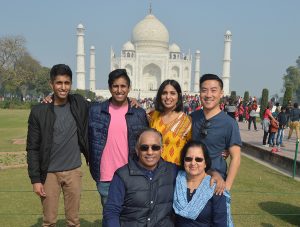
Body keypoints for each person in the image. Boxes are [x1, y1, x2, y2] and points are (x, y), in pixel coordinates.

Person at [26, 64, 89, 226]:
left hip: (73, 171)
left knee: (74, 221)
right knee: (49, 221)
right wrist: (35, 179)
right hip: (49, 175)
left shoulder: (79, 103)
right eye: (59, 83)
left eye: (66, 83)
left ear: (71, 84)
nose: (63, 87)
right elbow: (32, 148)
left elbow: (105, 108)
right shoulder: (39, 111)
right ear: (51, 84)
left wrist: (129, 100)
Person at [88, 69, 149, 208]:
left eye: (123, 86)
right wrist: (50, 97)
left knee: (132, 218)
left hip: (132, 175)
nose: (119, 90)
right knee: (111, 218)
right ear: (110, 87)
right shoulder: (96, 111)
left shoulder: (139, 113)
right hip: (106, 175)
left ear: (129, 88)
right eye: (115, 86)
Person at [103, 128, 177, 227]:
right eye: (144, 147)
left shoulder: (173, 171)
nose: (150, 152)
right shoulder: (122, 175)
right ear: (137, 150)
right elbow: (112, 211)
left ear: (162, 149)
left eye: (155, 147)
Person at [191, 74, 241, 192]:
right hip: (191, 180)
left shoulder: (229, 123)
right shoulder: (192, 118)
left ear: (221, 93)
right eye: (204, 90)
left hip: (215, 184)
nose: (208, 95)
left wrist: (227, 186)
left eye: (213, 90)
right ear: (200, 93)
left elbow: (236, 157)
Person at [173, 141, 232, 226]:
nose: (193, 163)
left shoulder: (215, 188)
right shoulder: (176, 179)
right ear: (183, 161)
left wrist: (215, 174)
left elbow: (220, 224)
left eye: (198, 159)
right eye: (188, 159)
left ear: (205, 163)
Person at [148, 79, 192, 165]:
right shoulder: (152, 116)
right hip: (152, 170)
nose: (168, 97)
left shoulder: (187, 121)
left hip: (175, 172)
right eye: (164, 93)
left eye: (172, 93)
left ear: (178, 96)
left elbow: (193, 148)